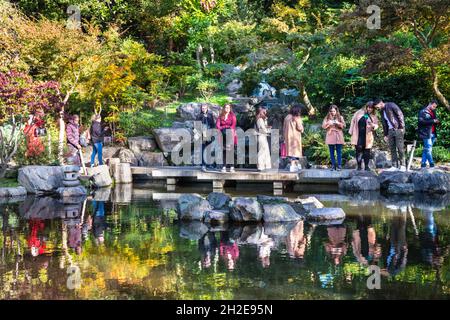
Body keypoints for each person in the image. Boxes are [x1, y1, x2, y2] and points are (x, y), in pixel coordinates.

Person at [374, 99, 406, 169]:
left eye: (377, 107)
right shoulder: (382, 111)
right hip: (390, 131)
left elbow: (400, 115)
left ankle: (403, 165)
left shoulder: (391, 105)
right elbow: (384, 123)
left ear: (380, 103)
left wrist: (402, 127)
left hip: (398, 129)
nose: (377, 108)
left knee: (400, 147)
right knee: (392, 148)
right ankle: (394, 166)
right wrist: (385, 134)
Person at [349, 102, 379, 171]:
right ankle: (359, 167)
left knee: (367, 151)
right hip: (358, 135)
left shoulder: (373, 115)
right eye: (368, 107)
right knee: (358, 151)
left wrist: (373, 125)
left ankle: (366, 166)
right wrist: (351, 132)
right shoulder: (359, 112)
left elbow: (376, 125)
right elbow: (353, 121)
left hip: (368, 136)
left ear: (373, 109)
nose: (369, 109)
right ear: (366, 107)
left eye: (371, 108)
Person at [322, 105, 346, 171]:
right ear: (329, 111)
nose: (333, 112)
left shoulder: (340, 117)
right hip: (330, 135)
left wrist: (338, 123)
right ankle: (333, 165)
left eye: (334, 111)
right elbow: (323, 126)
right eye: (331, 111)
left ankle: (339, 165)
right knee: (331, 152)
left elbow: (344, 126)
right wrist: (329, 123)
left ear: (336, 111)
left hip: (338, 136)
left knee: (339, 152)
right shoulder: (327, 118)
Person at [283, 104, 304, 172]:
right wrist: (302, 128)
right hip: (295, 138)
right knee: (296, 152)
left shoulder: (287, 117)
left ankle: (296, 165)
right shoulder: (297, 118)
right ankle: (293, 166)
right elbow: (300, 128)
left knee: (291, 152)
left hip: (288, 138)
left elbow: (284, 128)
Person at [418, 100, 439, 168]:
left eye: (435, 107)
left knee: (426, 149)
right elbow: (421, 121)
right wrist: (433, 121)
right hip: (426, 133)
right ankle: (431, 163)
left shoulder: (433, 111)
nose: (434, 108)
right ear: (430, 104)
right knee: (428, 148)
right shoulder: (423, 111)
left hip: (432, 133)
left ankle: (423, 164)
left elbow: (433, 122)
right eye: (433, 106)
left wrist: (436, 121)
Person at [216, 104, 237, 173]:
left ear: (230, 108)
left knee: (230, 151)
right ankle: (224, 166)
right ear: (224, 108)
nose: (227, 109)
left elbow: (233, 125)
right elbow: (218, 125)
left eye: (228, 107)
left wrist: (227, 128)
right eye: (226, 107)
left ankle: (232, 166)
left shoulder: (232, 116)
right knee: (224, 151)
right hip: (222, 135)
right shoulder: (220, 116)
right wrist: (224, 128)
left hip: (230, 135)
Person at [196, 103, 216, 171]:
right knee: (203, 149)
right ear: (201, 108)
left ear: (207, 108)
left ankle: (208, 164)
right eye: (202, 108)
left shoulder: (210, 115)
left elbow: (213, 125)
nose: (203, 109)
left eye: (205, 108)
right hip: (202, 135)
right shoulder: (199, 116)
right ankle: (203, 165)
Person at [255, 106, 272, 171]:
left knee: (265, 151)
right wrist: (269, 130)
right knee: (261, 151)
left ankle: (264, 165)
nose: (265, 112)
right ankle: (260, 166)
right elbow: (263, 129)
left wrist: (266, 121)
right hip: (261, 136)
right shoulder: (259, 119)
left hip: (263, 136)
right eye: (264, 111)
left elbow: (263, 127)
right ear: (260, 112)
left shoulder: (262, 119)